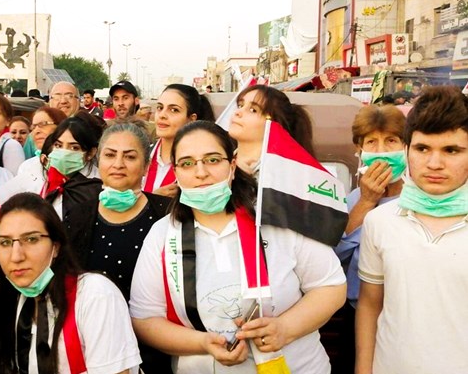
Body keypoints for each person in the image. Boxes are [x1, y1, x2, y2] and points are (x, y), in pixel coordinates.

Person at [129, 121, 346, 373]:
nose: (201, 172)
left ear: (232, 164)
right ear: (176, 172)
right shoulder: (162, 234)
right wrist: (202, 343)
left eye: (212, 160)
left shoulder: (279, 219)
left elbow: (330, 286)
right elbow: (146, 319)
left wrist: (285, 329)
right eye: (187, 163)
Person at [0, 193, 141, 373]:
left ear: (56, 246)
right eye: (5, 242)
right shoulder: (21, 295)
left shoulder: (96, 296)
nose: (16, 256)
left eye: (31, 239)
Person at [356, 86, 468, 374]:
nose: (434, 164)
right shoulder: (379, 221)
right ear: (407, 151)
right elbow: (370, 305)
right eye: (422, 149)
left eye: (452, 150)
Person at [63, 122, 173, 373]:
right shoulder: (77, 217)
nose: (118, 164)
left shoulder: (167, 214)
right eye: (110, 155)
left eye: (130, 156)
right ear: (98, 160)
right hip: (96, 349)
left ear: (146, 166)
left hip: (158, 349)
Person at [332, 105, 406, 373]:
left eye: (391, 141)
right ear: (359, 151)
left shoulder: (418, 199)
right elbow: (334, 258)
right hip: (356, 316)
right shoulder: (349, 200)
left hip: (403, 316)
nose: (383, 152)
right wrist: (366, 202)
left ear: (405, 147)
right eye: (372, 142)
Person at [144, 84, 215, 197]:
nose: (162, 115)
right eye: (160, 107)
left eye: (174, 110)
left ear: (191, 119)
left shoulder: (202, 167)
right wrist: (152, 199)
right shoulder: (142, 156)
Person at [228, 84, 315, 175]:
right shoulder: (222, 158)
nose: (238, 112)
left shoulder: (282, 175)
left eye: (253, 110)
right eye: (240, 105)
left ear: (274, 123)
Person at [16, 106, 67, 177]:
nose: (36, 131)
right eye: (33, 127)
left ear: (60, 126)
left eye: (43, 124)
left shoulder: (70, 163)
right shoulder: (26, 167)